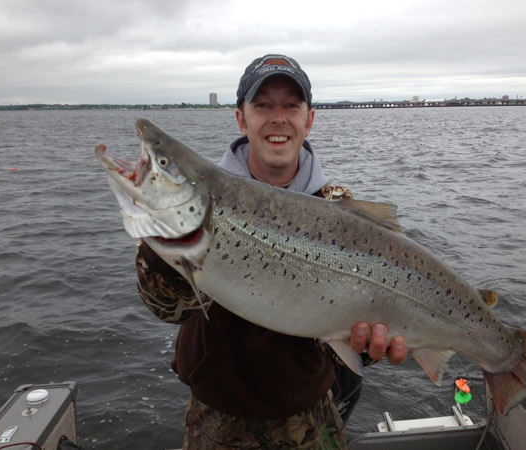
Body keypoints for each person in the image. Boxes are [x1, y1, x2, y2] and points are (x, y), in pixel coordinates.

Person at [135, 54, 407, 449]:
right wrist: (172, 240)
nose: (278, 117)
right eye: (262, 105)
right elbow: (165, 307)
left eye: (291, 106)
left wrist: (368, 347)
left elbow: (347, 338)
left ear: (309, 119)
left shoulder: (339, 207)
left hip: (312, 421)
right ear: (241, 119)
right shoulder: (196, 196)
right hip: (214, 423)